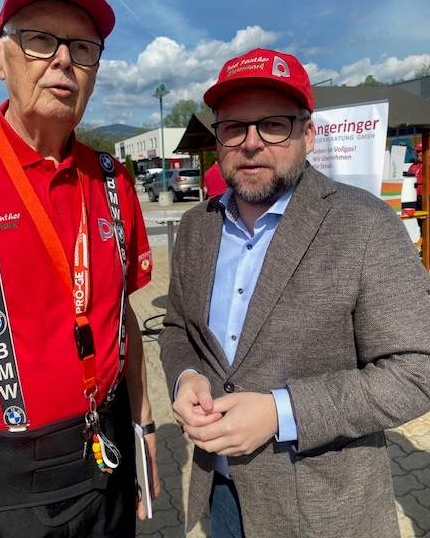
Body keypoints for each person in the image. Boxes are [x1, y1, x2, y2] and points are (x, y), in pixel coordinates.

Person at [159, 47, 430, 538]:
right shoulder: (197, 227)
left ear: (308, 134)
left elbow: (418, 370)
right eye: (234, 127)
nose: (251, 143)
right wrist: (185, 377)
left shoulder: (365, 224)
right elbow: (177, 327)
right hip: (222, 493)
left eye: (273, 125)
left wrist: (282, 411)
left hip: (324, 513)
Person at [0, 0, 159, 537]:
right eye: (40, 40)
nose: (63, 60)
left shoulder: (114, 180)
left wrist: (143, 422)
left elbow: (122, 316)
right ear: (0, 57)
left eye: (83, 48)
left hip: (103, 462)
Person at [408, 142, 423, 209]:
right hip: (415, 198)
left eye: (422, 151)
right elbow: (408, 180)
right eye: (418, 151)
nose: (420, 153)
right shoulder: (413, 166)